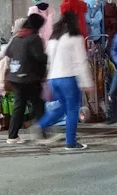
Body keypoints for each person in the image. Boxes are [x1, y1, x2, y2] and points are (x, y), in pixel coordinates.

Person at [36, 11, 94, 150]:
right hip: (69, 78)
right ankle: (71, 142)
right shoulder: (75, 37)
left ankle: (41, 125)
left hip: (53, 79)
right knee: (73, 109)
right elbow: (81, 62)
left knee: (62, 107)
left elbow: (48, 60)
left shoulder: (53, 38)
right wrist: (87, 83)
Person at [5, 13, 48, 144]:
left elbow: (8, 52)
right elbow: (40, 57)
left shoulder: (17, 37)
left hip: (15, 76)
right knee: (38, 105)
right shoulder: (34, 38)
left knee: (19, 105)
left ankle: (12, 136)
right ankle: (43, 134)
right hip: (29, 77)